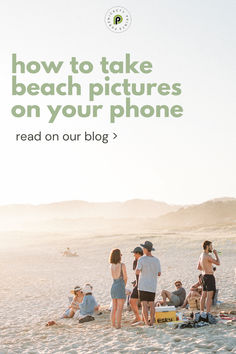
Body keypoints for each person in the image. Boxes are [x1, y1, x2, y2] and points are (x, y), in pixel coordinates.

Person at [136, 241, 161, 326]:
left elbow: (137, 271)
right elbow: (159, 273)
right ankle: (152, 322)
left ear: (146, 249)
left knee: (144, 305)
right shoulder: (156, 260)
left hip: (143, 285)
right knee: (151, 304)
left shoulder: (141, 259)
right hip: (152, 285)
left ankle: (146, 322)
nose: (142, 249)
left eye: (143, 248)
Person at [197, 240, 220, 313]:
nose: (212, 248)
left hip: (204, 276)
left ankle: (201, 312)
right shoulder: (207, 256)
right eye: (211, 246)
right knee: (209, 297)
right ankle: (208, 313)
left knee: (203, 295)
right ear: (207, 247)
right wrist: (216, 254)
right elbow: (218, 263)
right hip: (209, 277)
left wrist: (208, 267)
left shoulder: (201, 255)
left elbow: (199, 267)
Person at [110, 248, 127, 329]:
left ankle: (113, 324)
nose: (121, 255)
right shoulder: (122, 265)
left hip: (113, 285)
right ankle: (118, 325)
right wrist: (124, 285)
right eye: (120, 254)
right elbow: (125, 277)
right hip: (120, 285)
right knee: (120, 308)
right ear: (118, 256)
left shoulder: (111, 266)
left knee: (114, 307)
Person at [130, 246, 143, 324]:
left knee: (143, 302)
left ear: (138, 253)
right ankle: (138, 317)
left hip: (143, 284)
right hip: (138, 284)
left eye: (134, 253)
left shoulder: (143, 261)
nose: (134, 255)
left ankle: (140, 318)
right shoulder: (135, 261)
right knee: (132, 301)